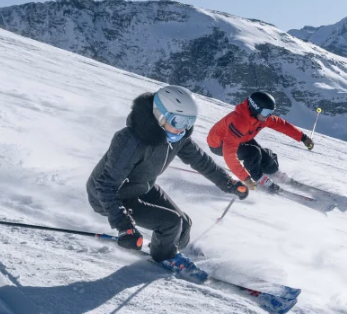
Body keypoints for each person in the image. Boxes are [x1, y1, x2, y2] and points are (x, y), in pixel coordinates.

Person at [86, 86, 241, 266]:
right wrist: (124, 226)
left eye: (189, 122)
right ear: (160, 115)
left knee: (184, 224)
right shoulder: (130, 140)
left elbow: (202, 161)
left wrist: (228, 183)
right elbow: (105, 186)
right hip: (111, 196)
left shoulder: (178, 137)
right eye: (179, 121)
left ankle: (172, 248)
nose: (183, 128)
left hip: (142, 186)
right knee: (171, 223)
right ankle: (165, 258)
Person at [206, 89, 313, 196]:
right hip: (219, 144)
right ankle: (258, 179)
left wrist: (303, 138)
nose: (268, 116)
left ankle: (273, 172)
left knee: (267, 158)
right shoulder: (239, 122)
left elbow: (282, 125)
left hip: (242, 139)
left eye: (271, 112)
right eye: (266, 112)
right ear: (254, 108)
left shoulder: (262, 117)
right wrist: (246, 178)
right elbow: (229, 153)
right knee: (253, 153)